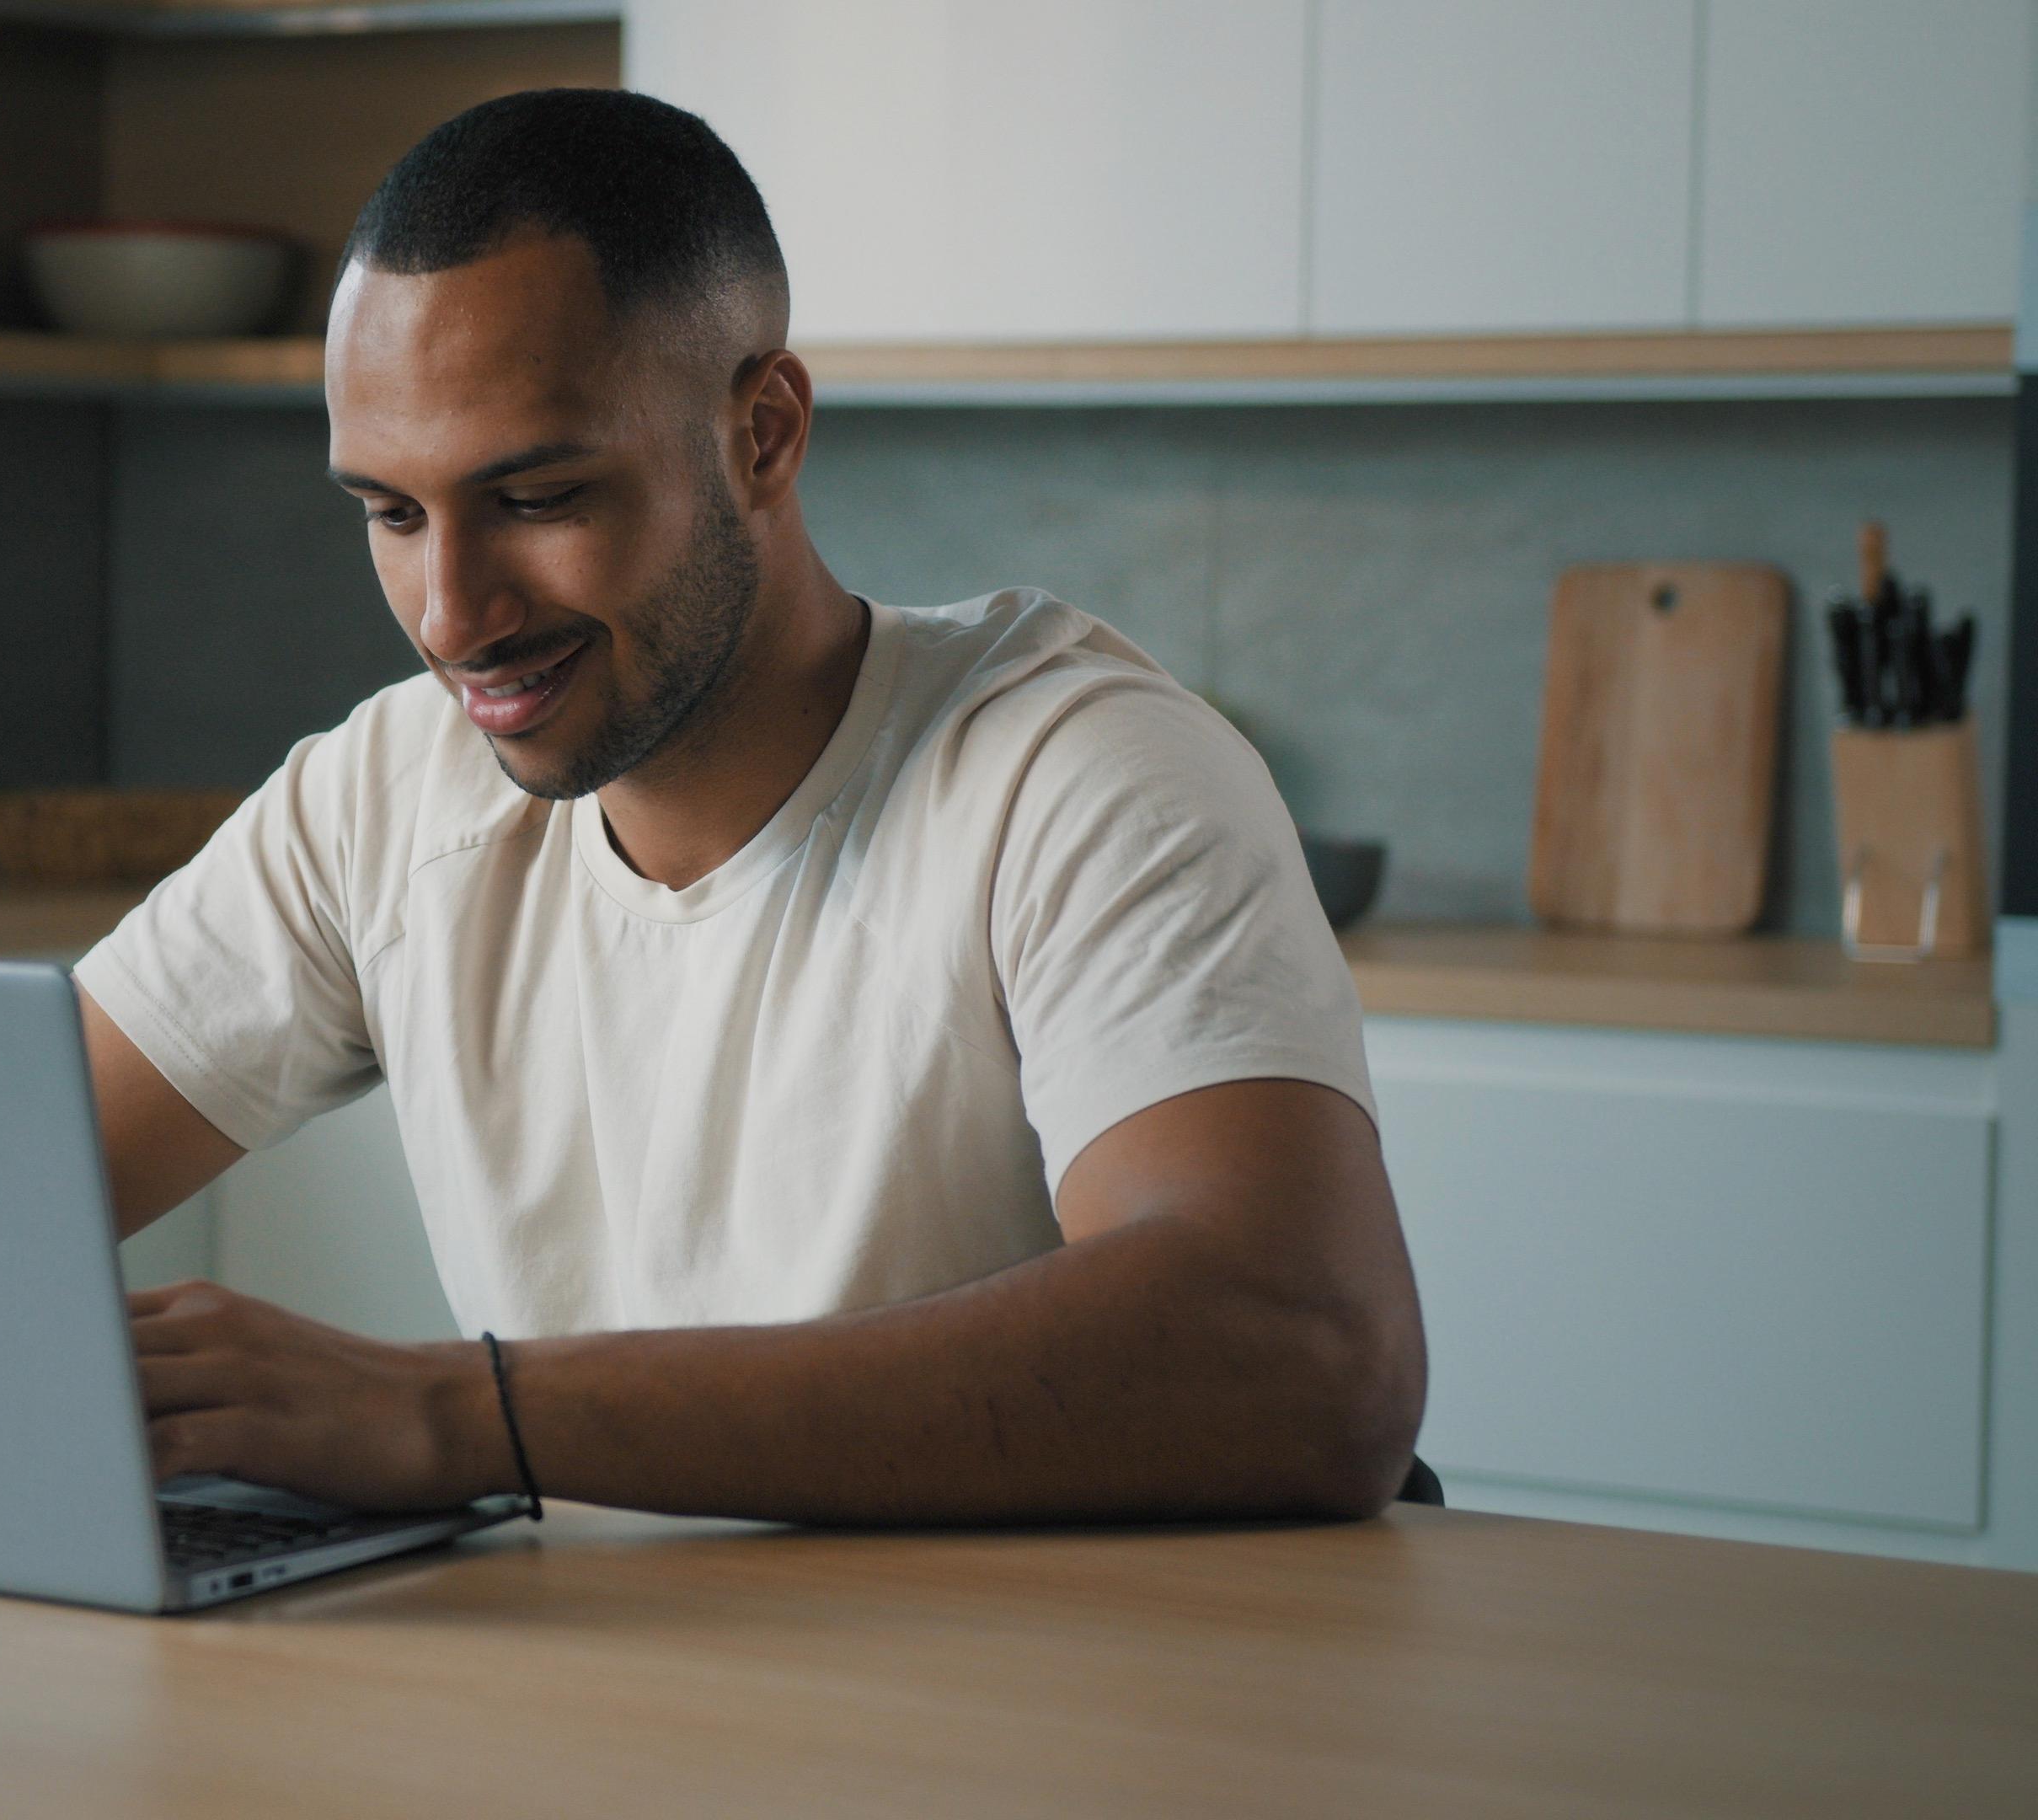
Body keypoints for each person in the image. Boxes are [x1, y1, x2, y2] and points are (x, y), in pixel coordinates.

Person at [73, 88, 1425, 1527]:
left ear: (763, 434)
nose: (452, 615)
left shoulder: (1074, 770)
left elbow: (1304, 1352)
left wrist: (462, 1415)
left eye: (535, 496)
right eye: (392, 516)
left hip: (1039, 1715)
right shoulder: (382, 801)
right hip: (637, 1701)